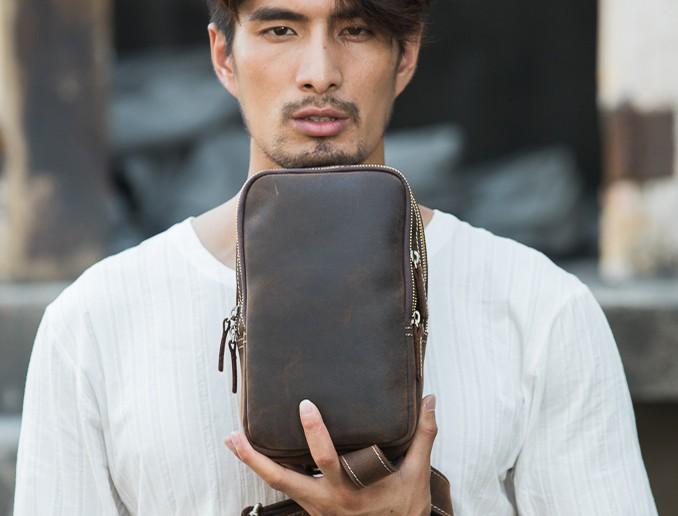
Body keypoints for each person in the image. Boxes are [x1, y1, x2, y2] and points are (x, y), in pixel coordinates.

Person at [14, 0, 658, 514]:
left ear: (405, 55)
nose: (319, 71)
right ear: (224, 57)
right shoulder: (94, 321)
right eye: (280, 29)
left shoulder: (541, 307)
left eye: (355, 29)